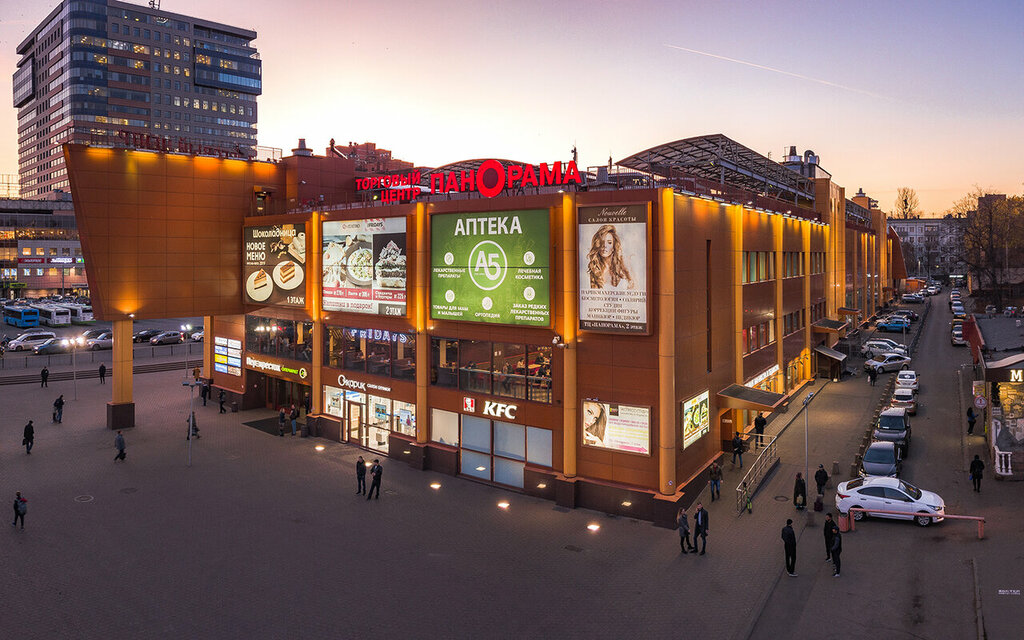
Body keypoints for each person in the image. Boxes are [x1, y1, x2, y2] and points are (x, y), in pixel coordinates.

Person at [585, 225, 636, 290]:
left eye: (609, 243)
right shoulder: (595, 270)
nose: (604, 246)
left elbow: (635, 288)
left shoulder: (624, 264)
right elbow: (594, 294)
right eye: (601, 242)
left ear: (613, 247)